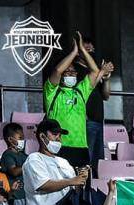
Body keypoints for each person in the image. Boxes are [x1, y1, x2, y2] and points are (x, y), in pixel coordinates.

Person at [44, 31, 102, 168]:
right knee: (62, 187)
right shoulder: (51, 91)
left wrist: (82, 50)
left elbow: (95, 71)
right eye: (67, 72)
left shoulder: (81, 91)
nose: (71, 74)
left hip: (81, 147)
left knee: (81, 187)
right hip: (59, 146)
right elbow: (57, 71)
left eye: (73, 72)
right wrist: (74, 52)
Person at [75, 36, 114, 174]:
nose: (90, 53)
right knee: (86, 162)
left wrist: (107, 79)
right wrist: (102, 72)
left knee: (97, 163)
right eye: (87, 50)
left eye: (92, 50)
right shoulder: (74, 70)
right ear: (79, 52)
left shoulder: (97, 71)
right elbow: (81, 92)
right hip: (85, 121)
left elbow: (106, 96)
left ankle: (94, 190)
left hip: (98, 120)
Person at [0, 123, 27, 205]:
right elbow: (14, 171)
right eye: (20, 138)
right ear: (10, 139)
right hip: (16, 197)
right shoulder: (8, 155)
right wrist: (28, 164)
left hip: (26, 195)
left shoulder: (23, 155)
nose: (23, 140)